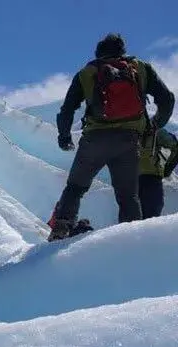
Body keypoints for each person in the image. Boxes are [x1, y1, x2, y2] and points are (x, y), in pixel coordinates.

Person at [48, 33, 174, 240]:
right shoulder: (141, 68)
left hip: (94, 140)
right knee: (128, 196)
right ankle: (131, 238)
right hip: (128, 141)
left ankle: (61, 228)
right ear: (122, 51)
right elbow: (167, 99)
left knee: (75, 187)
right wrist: (154, 125)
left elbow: (68, 109)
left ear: (98, 52)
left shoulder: (87, 72)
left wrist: (64, 136)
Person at [139, 128, 178, 219]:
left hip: (129, 179)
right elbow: (174, 146)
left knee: (131, 220)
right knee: (151, 215)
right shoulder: (155, 128)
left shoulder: (124, 127)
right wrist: (166, 169)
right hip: (151, 178)